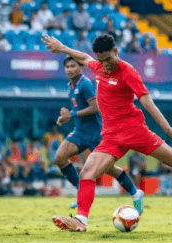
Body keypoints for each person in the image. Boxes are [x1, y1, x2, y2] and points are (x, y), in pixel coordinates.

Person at [42, 33, 172, 232]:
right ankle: (81, 220)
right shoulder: (98, 67)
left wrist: (167, 129)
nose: (105, 64)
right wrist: (62, 47)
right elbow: (84, 57)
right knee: (87, 173)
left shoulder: (127, 71)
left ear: (116, 52)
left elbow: (146, 101)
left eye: (108, 59)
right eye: (101, 60)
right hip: (111, 137)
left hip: (135, 132)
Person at [53, 55, 144, 210]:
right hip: (80, 132)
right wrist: (66, 118)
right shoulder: (71, 85)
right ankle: (80, 193)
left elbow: (95, 107)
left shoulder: (85, 84)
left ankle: (135, 193)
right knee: (60, 157)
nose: (69, 69)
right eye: (67, 67)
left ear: (81, 67)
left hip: (96, 135)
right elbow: (78, 109)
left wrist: (72, 114)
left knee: (110, 169)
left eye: (73, 66)